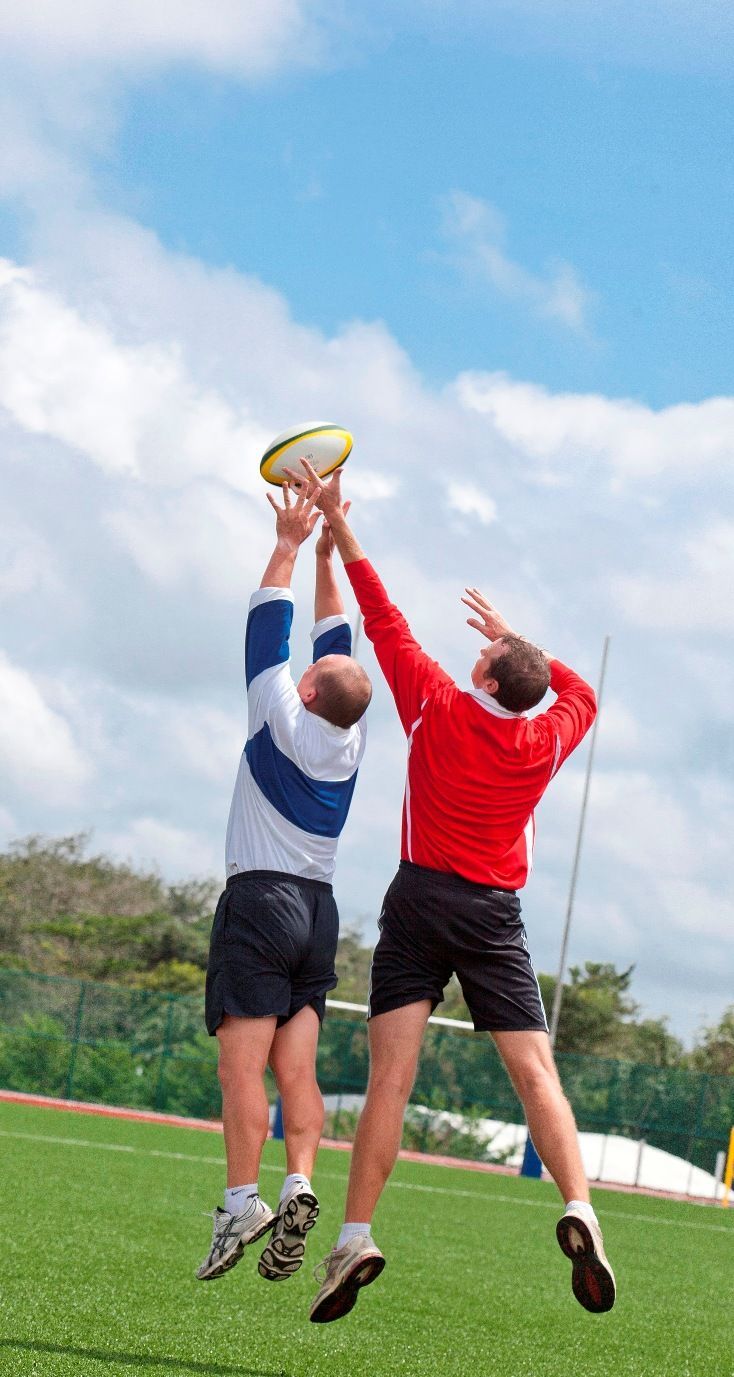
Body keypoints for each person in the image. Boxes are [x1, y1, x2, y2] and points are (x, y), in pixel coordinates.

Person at [295, 462, 616, 1323]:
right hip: (493, 913)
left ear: (482, 678)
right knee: (533, 1071)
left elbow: (379, 608)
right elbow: (578, 689)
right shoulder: (547, 739)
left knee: (391, 1077)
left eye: (483, 653)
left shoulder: (436, 702)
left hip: (420, 903)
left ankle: (356, 1233)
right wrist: (523, 644)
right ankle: (580, 1205)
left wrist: (337, 520)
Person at [196, 480, 372, 1286]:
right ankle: (301, 1182)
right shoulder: (350, 735)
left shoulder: (278, 706)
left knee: (241, 1064)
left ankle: (242, 1200)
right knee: (294, 1069)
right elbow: (335, 639)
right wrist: (333, 548)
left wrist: (293, 541)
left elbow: (269, 618)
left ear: (308, 689)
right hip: (319, 910)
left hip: (261, 901)